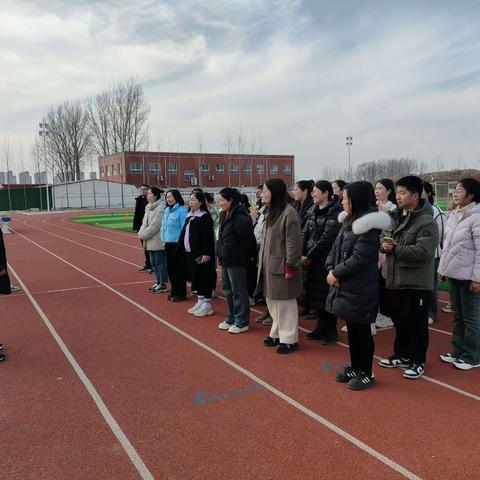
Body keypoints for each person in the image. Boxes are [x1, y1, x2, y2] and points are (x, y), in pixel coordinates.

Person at [326, 181, 390, 390]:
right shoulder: (348, 221)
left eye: (345, 198)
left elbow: (360, 258)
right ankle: (355, 367)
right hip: (346, 285)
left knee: (363, 332)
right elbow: (335, 249)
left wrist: (336, 273)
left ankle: (366, 372)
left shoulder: (369, 226)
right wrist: (330, 268)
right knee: (353, 330)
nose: (342, 201)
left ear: (357, 200)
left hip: (361, 287)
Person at [378, 176, 438, 379]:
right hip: (395, 279)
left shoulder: (426, 221)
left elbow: (423, 252)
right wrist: (383, 246)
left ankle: (417, 360)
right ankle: (402, 355)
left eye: (403, 193)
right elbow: (383, 237)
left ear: (416, 195)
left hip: (415, 282)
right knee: (400, 320)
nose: (399, 196)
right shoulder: (395, 216)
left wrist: (396, 249)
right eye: (398, 192)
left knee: (417, 324)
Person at [256, 178, 303, 354]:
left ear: (274, 192)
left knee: (285, 304)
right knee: (272, 301)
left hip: (283, 266)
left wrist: (291, 265)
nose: (262, 194)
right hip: (269, 265)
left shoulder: (288, 213)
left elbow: (293, 243)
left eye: (265, 190)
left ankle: (289, 339)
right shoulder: (271, 212)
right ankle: (276, 333)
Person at [438, 178, 480, 370]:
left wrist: (477, 278)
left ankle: (472, 356)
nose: (454, 193)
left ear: (471, 195)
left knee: (470, 317)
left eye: (459, 190)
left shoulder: (477, 217)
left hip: (469, 276)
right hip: (453, 272)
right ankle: (457, 351)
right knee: (457, 315)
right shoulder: (454, 215)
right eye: (454, 189)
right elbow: (447, 246)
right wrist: (443, 270)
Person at [302, 180, 342, 343]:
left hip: (325, 260)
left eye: (316, 191)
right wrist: (302, 252)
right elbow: (305, 232)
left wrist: (309, 255)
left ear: (326, 193)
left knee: (327, 295)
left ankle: (331, 330)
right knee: (316, 296)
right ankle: (321, 326)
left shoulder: (334, 212)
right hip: (311, 260)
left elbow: (327, 238)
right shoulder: (312, 210)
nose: (313, 194)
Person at [217, 188, 256, 334]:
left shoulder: (240, 217)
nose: (220, 202)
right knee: (227, 290)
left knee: (238, 291)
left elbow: (249, 240)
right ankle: (231, 317)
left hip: (237, 260)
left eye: (222, 200)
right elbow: (221, 237)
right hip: (226, 259)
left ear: (231, 200)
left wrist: (244, 255)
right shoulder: (224, 215)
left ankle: (242, 321)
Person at [179, 191, 216, 317]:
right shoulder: (190, 216)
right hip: (191, 253)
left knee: (204, 277)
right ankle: (200, 301)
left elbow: (208, 237)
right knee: (197, 277)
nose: (191, 202)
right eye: (190, 199)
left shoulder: (204, 217)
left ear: (201, 202)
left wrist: (207, 253)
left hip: (202, 254)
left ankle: (207, 304)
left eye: (194, 200)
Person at [422, 181, 447, 324]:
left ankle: (431, 312)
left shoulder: (437, 211)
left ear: (429, 193)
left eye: (422, 191)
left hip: (433, 255)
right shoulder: (415, 211)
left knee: (431, 285)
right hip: (419, 255)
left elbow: (442, 235)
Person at [374, 178, 397, 329]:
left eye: (380, 188)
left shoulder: (394, 209)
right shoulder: (373, 208)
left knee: (384, 284)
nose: (377, 191)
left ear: (389, 191)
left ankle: (386, 315)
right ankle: (376, 314)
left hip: (386, 251)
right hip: (373, 250)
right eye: (375, 188)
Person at [138, 187, 168, 293]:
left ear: (155, 196)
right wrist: (140, 233)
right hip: (149, 239)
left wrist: (144, 235)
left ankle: (163, 284)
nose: (147, 196)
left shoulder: (161, 207)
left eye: (150, 194)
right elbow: (144, 223)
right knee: (153, 262)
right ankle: (158, 281)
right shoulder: (148, 207)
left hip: (157, 239)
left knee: (160, 262)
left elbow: (155, 225)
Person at [161, 189, 188, 302]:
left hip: (178, 244)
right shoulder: (166, 210)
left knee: (179, 269)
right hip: (168, 243)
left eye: (171, 197)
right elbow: (163, 227)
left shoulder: (182, 211)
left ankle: (181, 292)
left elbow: (184, 229)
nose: (169, 199)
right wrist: (163, 241)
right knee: (171, 269)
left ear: (176, 197)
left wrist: (182, 244)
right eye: (167, 197)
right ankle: (174, 290)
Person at [133, 184, 152, 273]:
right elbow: (136, 214)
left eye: (145, 189)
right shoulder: (138, 199)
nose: (143, 191)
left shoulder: (150, 200)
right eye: (142, 189)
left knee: (150, 247)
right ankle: (148, 264)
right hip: (140, 227)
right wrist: (136, 227)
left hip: (148, 227)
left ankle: (151, 264)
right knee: (145, 248)